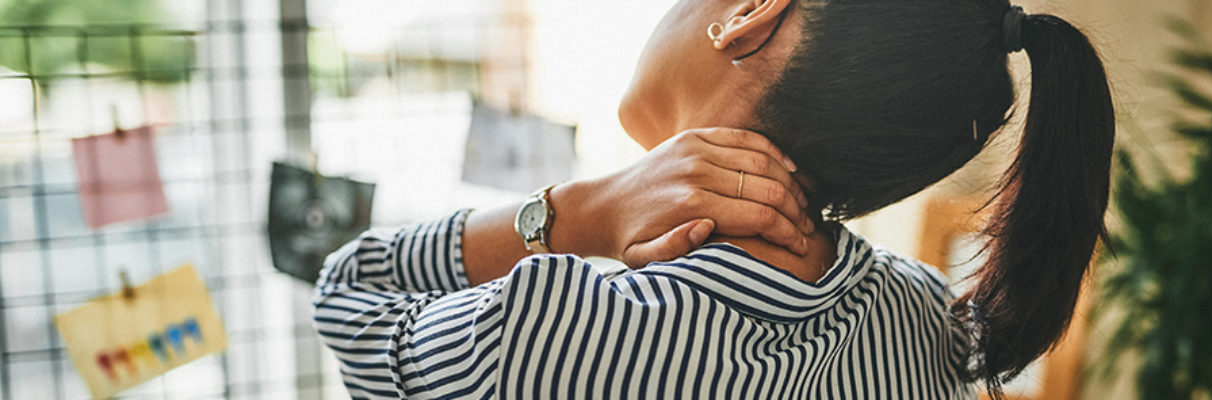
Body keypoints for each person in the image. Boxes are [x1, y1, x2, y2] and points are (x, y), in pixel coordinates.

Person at [312, 0, 1114, 398]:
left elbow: (348, 293)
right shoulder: (928, 324)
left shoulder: (558, 330)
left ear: (750, 14)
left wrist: (576, 213)